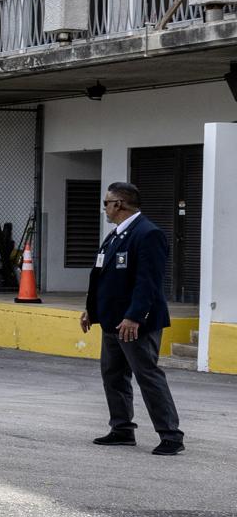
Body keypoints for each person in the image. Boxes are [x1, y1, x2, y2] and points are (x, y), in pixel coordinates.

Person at [81, 182, 184, 454]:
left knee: (147, 375)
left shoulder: (148, 234)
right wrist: (92, 309)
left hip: (136, 323)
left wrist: (135, 316)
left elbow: (148, 282)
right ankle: (122, 429)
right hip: (112, 320)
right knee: (113, 375)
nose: (104, 207)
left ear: (119, 204)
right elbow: (101, 276)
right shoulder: (115, 236)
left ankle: (171, 435)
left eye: (107, 202)